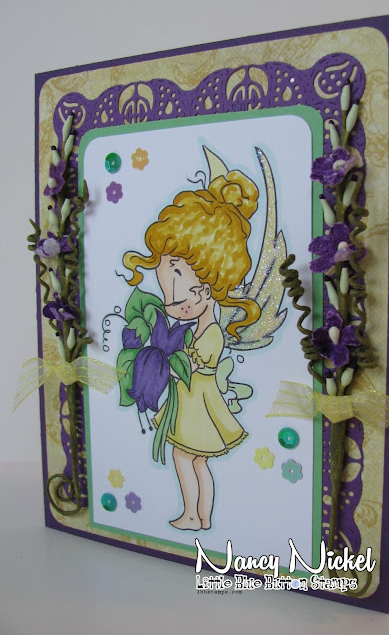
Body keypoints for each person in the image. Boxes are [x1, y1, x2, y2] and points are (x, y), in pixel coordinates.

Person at [123, 148, 260, 531]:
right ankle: (199, 516)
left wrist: (165, 361)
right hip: (190, 404)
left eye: (187, 296)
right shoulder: (195, 328)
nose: (176, 306)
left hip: (198, 407)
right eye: (170, 298)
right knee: (195, 462)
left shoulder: (212, 333)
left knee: (188, 459)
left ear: (211, 285)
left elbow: (196, 365)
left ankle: (196, 515)